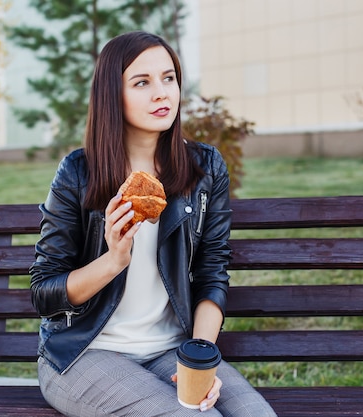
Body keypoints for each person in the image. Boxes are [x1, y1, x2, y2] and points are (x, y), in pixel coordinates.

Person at [30, 31, 277, 417]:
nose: (162, 93)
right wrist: (113, 259)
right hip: (84, 353)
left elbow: (213, 272)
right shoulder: (78, 173)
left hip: (169, 349)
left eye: (169, 78)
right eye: (142, 82)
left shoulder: (204, 168)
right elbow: (45, 292)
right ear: (113, 95)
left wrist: (200, 359)